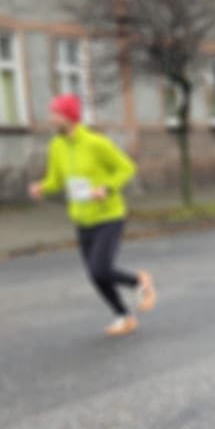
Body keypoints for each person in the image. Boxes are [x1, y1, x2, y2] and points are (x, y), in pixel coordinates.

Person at [29, 94, 155, 337]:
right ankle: (124, 316)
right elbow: (56, 179)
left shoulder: (96, 143)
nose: (51, 119)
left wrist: (106, 188)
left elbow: (126, 168)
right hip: (82, 217)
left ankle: (139, 282)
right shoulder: (56, 146)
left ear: (69, 117)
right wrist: (42, 187)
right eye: (51, 114)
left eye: (55, 114)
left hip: (109, 215)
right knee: (95, 275)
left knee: (100, 269)